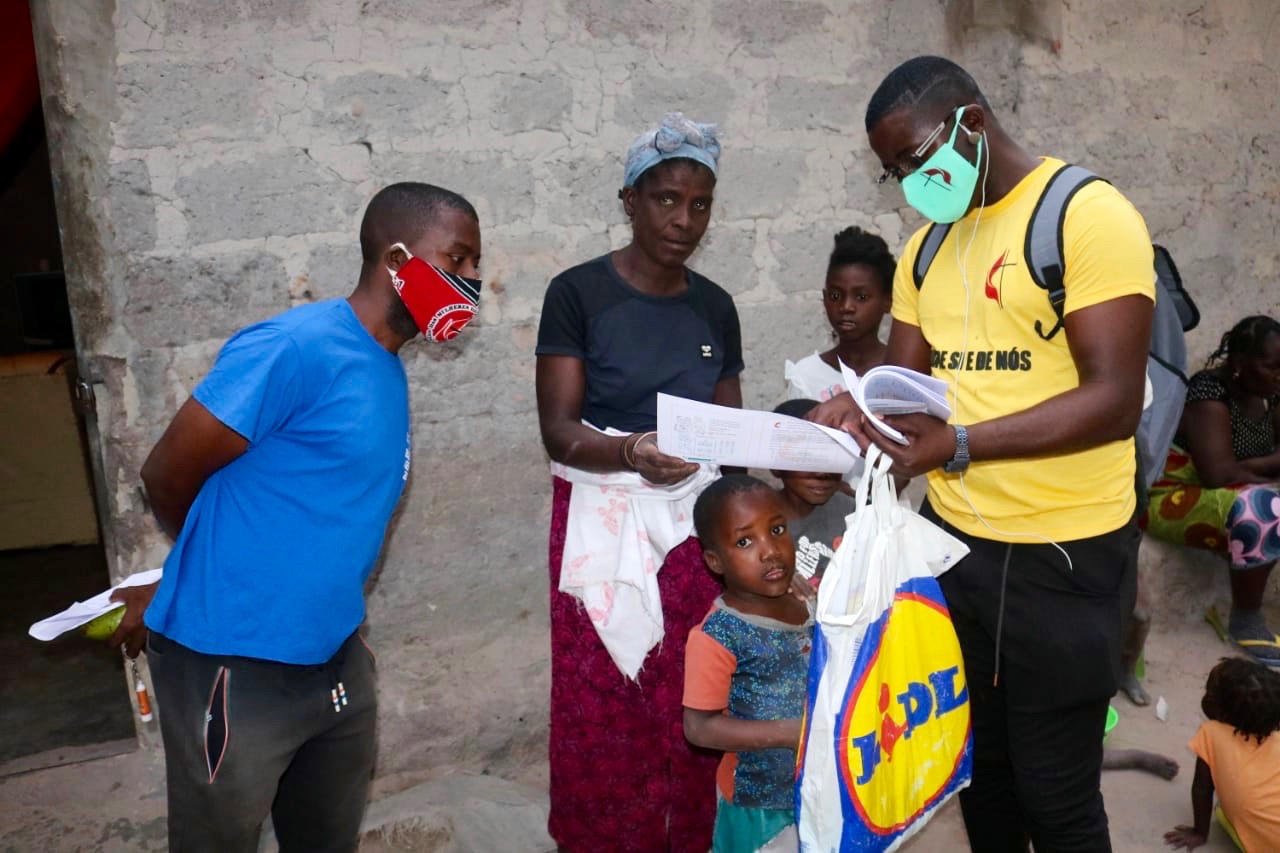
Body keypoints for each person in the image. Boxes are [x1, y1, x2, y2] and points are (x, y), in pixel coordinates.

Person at [811, 56, 1155, 851]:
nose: (908, 183)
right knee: (982, 775)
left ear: (970, 121)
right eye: (894, 171)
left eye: (913, 158)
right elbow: (904, 389)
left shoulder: (1086, 217)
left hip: (1066, 553)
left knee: (1056, 793)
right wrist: (857, 410)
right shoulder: (926, 250)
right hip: (958, 550)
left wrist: (960, 443)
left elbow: (1112, 400)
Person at [105, 182, 483, 853]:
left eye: (476, 265)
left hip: (333, 660)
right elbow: (167, 473)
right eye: (458, 259)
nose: (472, 281)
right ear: (397, 259)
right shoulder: (294, 348)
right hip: (234, 661)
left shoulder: (385, 366)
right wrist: (207, 566)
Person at [535, 112, 743, 852]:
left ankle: (689, 838)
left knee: (689, 694)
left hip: (692, 534)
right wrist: (633, 452)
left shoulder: (714, 307)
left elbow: (730, 440)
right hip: (602, 522)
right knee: (604, 702)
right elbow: (559, 430)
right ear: (629, 199)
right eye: (665, 199)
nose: (684, 220)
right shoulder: (578, 294)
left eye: (700, 203)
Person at [683, 474, 813, 853]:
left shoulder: (807, 601)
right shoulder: (718, 636)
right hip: (760, 804)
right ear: (715, 561)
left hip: (821, 782)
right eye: (745, 541)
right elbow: (699, 727)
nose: (770, 550)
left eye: (777, 530)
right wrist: (789, 733)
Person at [1143, 316, 1280, 667]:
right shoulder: (1209, 392)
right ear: (1240, 362)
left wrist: (1260, 465)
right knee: (1267, 507)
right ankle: (1246, 621)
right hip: (1172, 496)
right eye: (1271, 366)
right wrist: (1271, 464)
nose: (1279, 375)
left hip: (1225, 494)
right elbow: (1218, 474)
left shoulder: (1269, 396)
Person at [1164, 657, 1280, 851]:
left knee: (1225, 811)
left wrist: (1199, 832)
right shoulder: (1274, 735)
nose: (1204, 698)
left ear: (1224, 711)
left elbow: (1202, 789)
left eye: (1209, 693)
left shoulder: (1211, 734)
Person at [783, 225, 894, 402]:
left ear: (888, 301)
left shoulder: (900, 373)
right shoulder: (806, 376)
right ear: (825, 298)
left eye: (861, 297)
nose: (846, 307)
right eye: (835, 296)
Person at [771, 398, 856, 589]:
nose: (822, 472)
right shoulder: (759, 522)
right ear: (775, 464)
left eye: (831, 455)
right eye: (806, 457)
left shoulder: (852, 511)